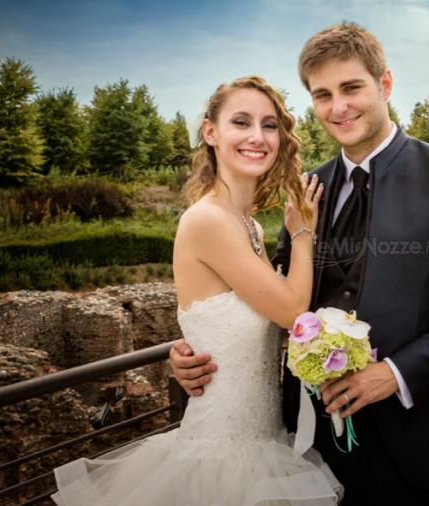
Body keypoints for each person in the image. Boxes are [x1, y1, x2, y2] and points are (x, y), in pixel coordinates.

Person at [171, 23, 429, 505]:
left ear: (385, 84)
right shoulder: (308, 189)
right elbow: (267, 298)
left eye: (351, 88)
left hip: (407, 440)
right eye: (322, 94)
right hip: (303, 445)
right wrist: (196, 348)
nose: (338, 107)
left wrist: (392, 373)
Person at [52, 76, 343, 505]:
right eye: (240, 122)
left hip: (265, 440)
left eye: (268, 125)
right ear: (211, 133)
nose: (257, 137)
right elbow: (293, 310)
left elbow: (245, 321)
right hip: (221, 462)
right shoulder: (208, 220)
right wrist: (302, 232)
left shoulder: (247, 224)